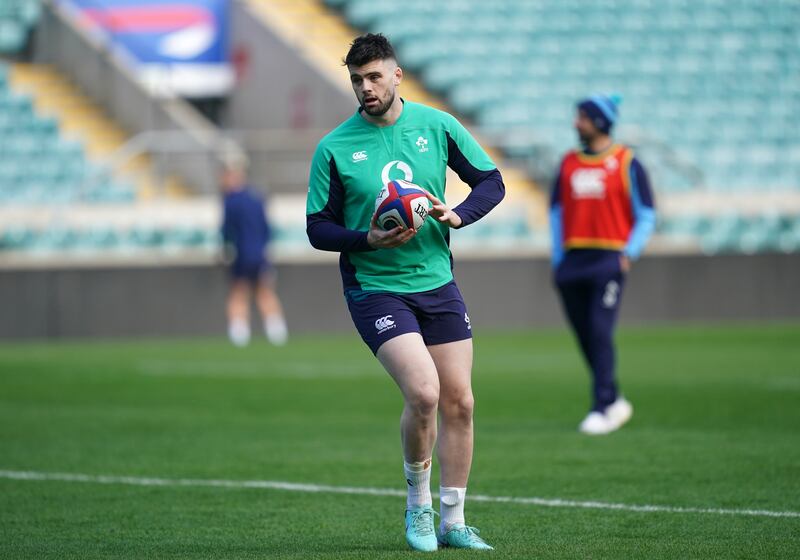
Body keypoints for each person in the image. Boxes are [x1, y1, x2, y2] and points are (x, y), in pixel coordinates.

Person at [306, 33, 504, 552]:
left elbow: (491, 181)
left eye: (374, 77)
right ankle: (418, 508)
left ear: (397, 76)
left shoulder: (437, 126)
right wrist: (365, 238)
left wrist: (458, 214)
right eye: (356, 80)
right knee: (424, 393)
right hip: (375, 287)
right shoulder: (334, 147)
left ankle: (454, 521)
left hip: (437, 282)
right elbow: (317, 228)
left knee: (460, 401)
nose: (365, 88)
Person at [549, 93, 656, 435]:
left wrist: (630, 252)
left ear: (598, 122)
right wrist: (558, 259)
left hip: (608, 258)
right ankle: (614, 399)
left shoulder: (627, 162)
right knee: (585, 336)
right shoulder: (567, 163)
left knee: (599, 330)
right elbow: (556, 213)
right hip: (572, 260)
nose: (575, 123)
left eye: (581, 117)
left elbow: (646, 213)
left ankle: (602, 405)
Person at [221, 156, 288, 347]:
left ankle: (239, 333)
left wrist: (225, 249)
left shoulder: (230, 200)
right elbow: (267, 228)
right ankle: (277, 332)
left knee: (239, 292)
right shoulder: (258, 198)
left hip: (242, 254)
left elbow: (227, 230)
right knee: (265, 292)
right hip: (260, 253)